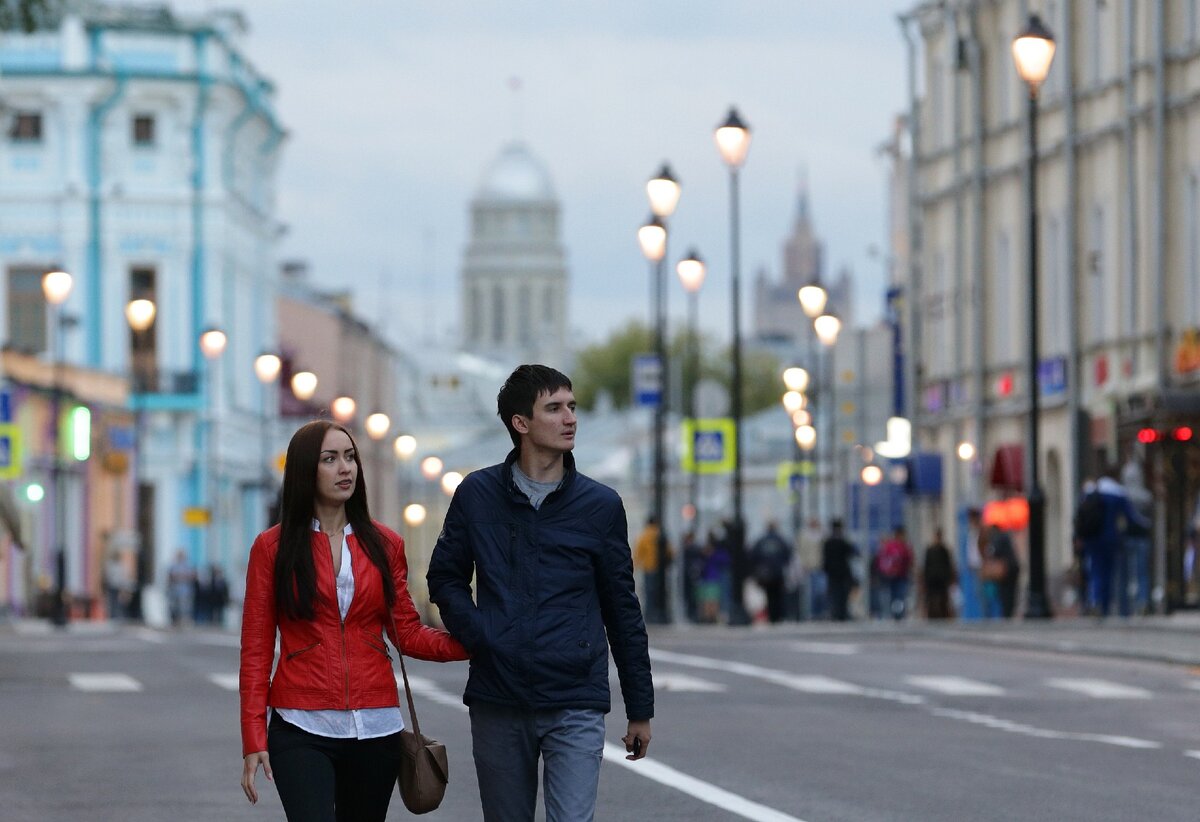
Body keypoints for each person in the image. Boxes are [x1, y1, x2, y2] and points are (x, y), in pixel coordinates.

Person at [427, 364, 653, 822]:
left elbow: (622, 609)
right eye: (554, 408)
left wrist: (639, 708)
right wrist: (480, 633)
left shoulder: (600, 506)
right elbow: (444, 578)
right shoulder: (478, 494)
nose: (569, 417)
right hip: (498, 698)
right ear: (521, 423)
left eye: (572, 406)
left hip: (574, 697)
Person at [239, 420, 468, 821]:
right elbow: (256, 650)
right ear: (305, 470)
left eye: (349, 457)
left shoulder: (385, 544)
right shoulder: (272, 548)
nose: (345, 468)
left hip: (376, 725)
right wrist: (253, 736)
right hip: (300, 723)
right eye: (330, 459)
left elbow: (408, 633)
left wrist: (476, 641)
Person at [1078, 468, 1149, 617]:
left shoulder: (1092, 492)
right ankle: (1104, 606)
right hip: (1110, 538)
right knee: (1109, 572)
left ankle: (1095, 600)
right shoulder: (1118, 494)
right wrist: (1146, 525)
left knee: (1095, 570)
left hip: (1092, 538)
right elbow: (1131, 517)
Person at [749, 521, 792, 623]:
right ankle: (778, 616)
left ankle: (772, 616)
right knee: (778, 595)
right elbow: (788, 554)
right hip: (778, 573)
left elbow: (754, 556)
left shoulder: (761, 541)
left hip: (766, 574)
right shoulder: (780, 540)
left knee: (769, 596)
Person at [634, 514, 671, 623]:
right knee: (659, 592)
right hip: (661, 569)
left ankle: (649, 615)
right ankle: (659, 613)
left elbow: (638, 553)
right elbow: (670, 551)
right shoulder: (660, 534)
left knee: (649, 592)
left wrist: (636, 566)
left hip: (648, 568)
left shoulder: (644, 536)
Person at [821, 518, 858, 622]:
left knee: (835, 593)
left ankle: (836, 613)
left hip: (832, 572)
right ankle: (842, 613)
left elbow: (825, 558)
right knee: (842, 594)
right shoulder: (843, 541)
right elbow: (852, 552)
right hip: (842, 572)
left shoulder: (828, 542)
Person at [980, 523, 1020, 618]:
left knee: (1005, 594)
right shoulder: (1005, 537)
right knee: (1011, 593)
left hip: (1006, 571)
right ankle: (1008, 612)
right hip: (1012, 569)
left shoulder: (997, 539)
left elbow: (993, 552)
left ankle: (1007, 613)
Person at [876, 525, 915, 621]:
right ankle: (890, 614)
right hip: (890, 576)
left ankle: (899, 614)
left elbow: (910, 560)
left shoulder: (905, 547)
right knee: (891, 596)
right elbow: (882, 560)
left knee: (900, 596)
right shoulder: (890, 546)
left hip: (901, 576)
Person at [921, 527, 956, 620]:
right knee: (931, 599)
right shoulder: (929, 550)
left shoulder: (944, 550)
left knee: (943, 599)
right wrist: (924, 579)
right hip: (932, 579)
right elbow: (926, 565)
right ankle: (932, 615)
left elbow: (948, 565)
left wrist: (950, 578)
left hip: (942, 579)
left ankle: (943, 615)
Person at [166, 549, 195, 628]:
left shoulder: (188, 566)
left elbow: (191, 576)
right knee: (174, 607)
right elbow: (171, 576)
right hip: (175, 590)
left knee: (184, 607)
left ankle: (183, 621)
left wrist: (180, 576)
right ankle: (174, 621)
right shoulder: (174, 565)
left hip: (185, 591)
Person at [104, 550, 132, 622]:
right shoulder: (112, 564)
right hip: (113, 586)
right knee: (113, 602)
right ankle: (113, 616)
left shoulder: (119, 566)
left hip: (116, 586)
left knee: (117, 602)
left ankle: (117, 616)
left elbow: (122, 577)